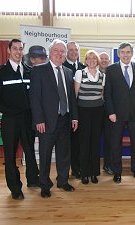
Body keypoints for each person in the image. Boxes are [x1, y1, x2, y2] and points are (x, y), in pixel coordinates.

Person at [0, 39, 39, 200]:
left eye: (21, 49)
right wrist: (14, 111)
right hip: (10, 120)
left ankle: (33, 180)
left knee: (30, 152)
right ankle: (15, 188)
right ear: (8, 50)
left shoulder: (30, 71)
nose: (18, 52)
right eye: (15, 49)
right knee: (10, 156)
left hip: (27, 119)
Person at [29, 39, 78, 198]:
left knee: (64, 154)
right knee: (45, 155)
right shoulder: (39, 70)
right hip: (47, 121)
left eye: (62, 51)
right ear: (50, 53)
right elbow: (35, 97)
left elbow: (71, 98)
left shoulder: (68, 72)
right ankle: (44, 185)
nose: (59, 53)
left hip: (65, 119)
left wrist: (74, 117)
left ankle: (63, 181)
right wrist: (39, 120)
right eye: (56, 50)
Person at [104, 42, 135, 183]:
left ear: (132, 53)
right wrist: (111, 112)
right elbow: (107, 93)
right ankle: (117, 172)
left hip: (134, 114)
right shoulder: (111, 70)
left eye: (128, 52)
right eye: (123, 52)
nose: (125, 55)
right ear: (118, 54)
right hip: (117, 115)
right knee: (115, 144)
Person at [74, 50, 105, 184]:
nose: (92, 60)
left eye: (94, 58)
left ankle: (94, 173)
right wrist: (74, 116)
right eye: (89, 58)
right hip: (83, 111)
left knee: (95, 143)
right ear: (85, 61)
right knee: (84, 143)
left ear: (97, 61)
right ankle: (84, 173)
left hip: (98, 112)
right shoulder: (80, 73)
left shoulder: (102, 75)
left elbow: (102, 95)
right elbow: (75, 95)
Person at [63, 41, 85, 179]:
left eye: (75, 50)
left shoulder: (84, 68)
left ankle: (80, 168)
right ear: (66, 52)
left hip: (83, 111)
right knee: (69, 143)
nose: (73, 52)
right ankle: (71, 169)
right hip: (67, 112)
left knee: (81, 142)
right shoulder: (61, 67)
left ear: (78, 52)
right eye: (70, 50)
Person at [99, 52, 113, 175]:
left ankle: (108, 165)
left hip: (109, 111)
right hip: (95, 110)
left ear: (109, 61)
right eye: (101, 58)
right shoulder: (92, 72)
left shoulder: (113, 73)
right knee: (94, 139)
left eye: (105, 59)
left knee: (110, 140)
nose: (103, 61)